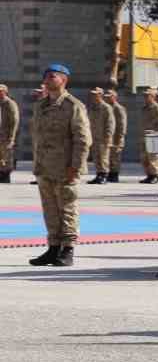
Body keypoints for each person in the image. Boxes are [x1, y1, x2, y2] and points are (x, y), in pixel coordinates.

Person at [28, 64, 90, 267]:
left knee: (67, 208)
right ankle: (53, 248)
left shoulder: (73, 106)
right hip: (44, 167)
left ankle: (68, 249)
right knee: (50, 210)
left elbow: (82, 140)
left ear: (64, 80)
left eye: (52, 76)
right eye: (45, 75)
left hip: (65, 168)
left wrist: (76, 167)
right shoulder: (40, 105)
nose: (47, 78)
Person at [86, 87, 115, 184]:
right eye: (92, 94)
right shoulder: (92, 108)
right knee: (96, 157)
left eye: (95, 94)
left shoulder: (106, 107)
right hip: (94, 137)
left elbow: (110, 124)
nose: (93, 96)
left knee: (103, 157)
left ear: (100, 95)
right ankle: (99, 174)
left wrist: (108, 136)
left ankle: (104, 175)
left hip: (103, 137)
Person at [137, 88, 158, 184]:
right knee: (144, 157)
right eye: (144, 96)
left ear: (153, 97)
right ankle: (149, 175)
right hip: (143, 135)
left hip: (153, 136)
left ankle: (154, 175)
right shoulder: (144, 108)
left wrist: (156, 132)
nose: (145, 97)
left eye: (147, 96)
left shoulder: (157, 108)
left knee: (153, 157)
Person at [105, 89, 128, 182]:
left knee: (115, 157)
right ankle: (110, 173)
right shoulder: (107, 107)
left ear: (114, 97)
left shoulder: (118, 108)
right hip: (110, 136)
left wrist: (120, 136)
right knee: (109, 157)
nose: (106, 98)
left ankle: (114, 175)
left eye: (109, 97)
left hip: (116, 137)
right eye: (106, 97)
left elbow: (122, 123)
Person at [0, 83, 18, 184]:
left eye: (0, 91)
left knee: (6, 156)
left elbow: (14, 121)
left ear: (5, 92)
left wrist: (12, 137)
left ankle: (5, 176)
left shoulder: (9, 103)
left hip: (6, 135)